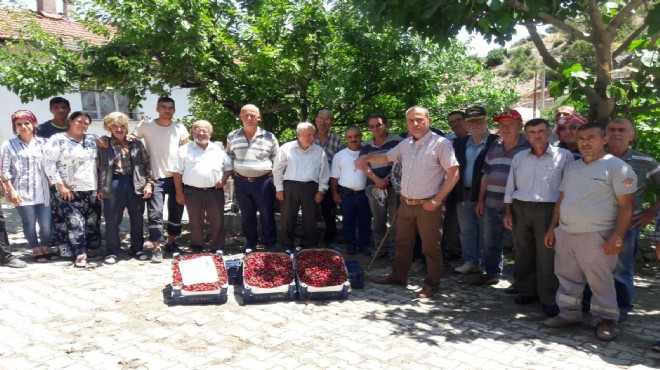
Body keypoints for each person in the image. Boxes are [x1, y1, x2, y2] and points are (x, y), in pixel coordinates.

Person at [542, 124, 636, 341]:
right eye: (581, 138)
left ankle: (606, 320)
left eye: (591, 137)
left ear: (604, 140)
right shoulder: (573, 167)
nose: (585, 142)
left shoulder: (617, 168)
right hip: (566, 233)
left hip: (597, 235)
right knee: (566, 277)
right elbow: (562, 199)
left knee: (600, 280)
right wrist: (553, 228)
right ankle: (569, 314)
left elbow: (626, 207)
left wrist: (617, 236)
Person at [356, 106, 459, 299]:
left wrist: (437, 201)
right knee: (403, 244)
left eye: (419, 119)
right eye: (411, 121)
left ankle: (431, 284)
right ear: (407, 124)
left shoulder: (441, 144)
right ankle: (398, 277)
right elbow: (386, 156)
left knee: (430, 248)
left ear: (428, 121)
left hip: (429, 205)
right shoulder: (406, 144)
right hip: (406, 204)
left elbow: (454, 173)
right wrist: (367, 156)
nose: (416, 124)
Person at [502, 118, 573, 317]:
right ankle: (526, 291)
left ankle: (549, 298)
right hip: (521, 208)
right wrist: (508, 210)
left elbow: (566, 189)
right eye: (532, 132)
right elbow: (511, 184)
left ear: (549, 131)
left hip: (549, 209)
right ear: (527, 135)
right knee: (523, 252)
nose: (537, 135)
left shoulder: (564, 156)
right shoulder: (520, 157)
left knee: (547, 256)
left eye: (541, 131)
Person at [603, 118, 660, 321]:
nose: (616, 133)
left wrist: (651, 211)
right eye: (612, 129)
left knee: (621, 270)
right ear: (605, 134)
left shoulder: (646, 161)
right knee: (594, 267)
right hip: (595, 224)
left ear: (632, 135)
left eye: (622, 129)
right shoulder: (595, 158)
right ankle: (594, 306)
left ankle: (622, 309)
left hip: (627, 226)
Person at [474, 109, 529, 286]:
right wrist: (481, 200)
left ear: (520, 126)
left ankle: (520, 281)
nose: (505, 128)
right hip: (491, 204)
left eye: (510, 124)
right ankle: (492, 273)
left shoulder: (528, 147)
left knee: (519, 246)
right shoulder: (495, 146)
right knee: (490, 243)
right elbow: (486, 175)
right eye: (501, 125)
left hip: (516, 208)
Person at [133, 97, 189, 261]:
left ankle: (171, 242)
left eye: (171, 107)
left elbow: (187, 149)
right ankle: (157, 247)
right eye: (163, 107)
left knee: (176, 212)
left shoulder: (179, 127)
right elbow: (130, 139)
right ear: (157, 108)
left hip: (176, 177)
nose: (167, 110)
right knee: (155, 213)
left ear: (174, 110)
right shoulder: (146, 125)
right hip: (155, 178)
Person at [43, 111, 101, 267]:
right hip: (68, 190)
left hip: (91, 188)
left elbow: (105, 149)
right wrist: (60, 184)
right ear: (70, 121)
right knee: (75, 222)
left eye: (86, 123)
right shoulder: (58, 140)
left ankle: (87, 248)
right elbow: (48, 163)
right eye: (79, 121)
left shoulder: (92, 139)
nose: (83, 125)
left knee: (90, 222)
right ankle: (80, 253)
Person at [98, 112, 154, 264]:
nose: (119, 129)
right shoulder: (104, 144)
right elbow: (98, 168)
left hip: (135, 182)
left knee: (137, 218)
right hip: (113, 182)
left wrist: (149, 183)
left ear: (127, 127)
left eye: (122, 125)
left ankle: (137, 248)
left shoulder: (136, 143)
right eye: (114, 126)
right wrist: (100, 188)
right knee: (112, 220)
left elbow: (147, 164)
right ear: (109, 128)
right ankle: (112, 251)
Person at [1, 110, 54, 263]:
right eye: (19, 124)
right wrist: (11, 190)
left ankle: (45, 246)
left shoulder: (44, 143)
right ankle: (36, 249)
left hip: (43, 191)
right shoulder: (9, 145)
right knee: (29, 222)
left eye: (27, 123)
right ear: (15, 126)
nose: (23, 127)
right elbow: (5, 170)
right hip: (21, 191)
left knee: (45, 224)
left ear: (33, 124)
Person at [172, 120, 232, 254]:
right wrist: (179, 193)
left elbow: (228, 167)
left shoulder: (218, 150)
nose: (201, 133)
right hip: (192, 192)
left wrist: (223, 180)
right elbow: (176, 172)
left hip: (214, 192)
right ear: (192, 132)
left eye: (205, 130)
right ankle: (196, 246)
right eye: (197, 130)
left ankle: (217, 246)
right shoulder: (183, 150)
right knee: (195, 221)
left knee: (217, 220)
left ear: (210, 133)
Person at [453, 106, 498, 274]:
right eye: (471, 121)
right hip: (463, 193)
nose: (475, 124)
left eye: (479, 120)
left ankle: (488, 266)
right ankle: (470, 261)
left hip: (488, 196)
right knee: (466, 231)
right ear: (466, 123)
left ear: (486, 120)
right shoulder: (459, 143)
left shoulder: (496, 142)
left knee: (487, 234)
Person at [226, 104, 279, 251]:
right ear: (240, 117)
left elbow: (277, 158)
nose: (249, 118)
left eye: (252, 115)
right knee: (247, 214)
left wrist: (272, 171)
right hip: (241, 182)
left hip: (263, 182)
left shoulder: (269, 137)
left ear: (259, 117)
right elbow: (229, 156)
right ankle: (251, 243)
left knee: (267, 214)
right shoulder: (232, 136)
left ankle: (270, 243)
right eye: (245, 115)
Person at [273, 122, 330, 251]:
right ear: (298, 134)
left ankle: (309, 245)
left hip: (311, 187)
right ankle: (286, 245)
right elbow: (277, 170)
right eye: (308, 135)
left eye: (313, 134)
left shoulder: (319, 151)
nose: (312, 138)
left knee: (311, 217)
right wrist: (279, 188)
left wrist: (321, 190)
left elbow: (324, 172)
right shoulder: (286, 149)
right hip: (290, 186)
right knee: (287, 217)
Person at [360, 114, 401, 258]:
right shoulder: (366, 144)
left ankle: (394, 250)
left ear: (386, 125)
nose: (375, 128)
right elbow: (363, 164)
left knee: (395, 219)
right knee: (378, 219)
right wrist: (377, 179)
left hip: (394, 185)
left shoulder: (397, 141)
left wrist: (388, 179)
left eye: (378, 125)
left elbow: (401, 163)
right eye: (371, 126)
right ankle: (380, 249)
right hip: (374, 186)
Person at [331, 126, 372, 255]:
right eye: (350, 137)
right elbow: (334, 177)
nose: (353, 139)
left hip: (364, 194)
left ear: (361, 136)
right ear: (346, 138)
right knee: (348, 222)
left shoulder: (368, 154)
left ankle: (364, 245)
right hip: (346, 194)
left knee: (365, 221)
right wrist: (335, 193)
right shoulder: (339, 156)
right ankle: (351, 246)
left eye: (356, 136)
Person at [314, 109, 342, 248]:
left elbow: (339, 162)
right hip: (311, 180)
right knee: (310, 211)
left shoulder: (337, 139)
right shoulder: (308, 136)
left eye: (327, 119)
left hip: (330, 180)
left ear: (332, 122)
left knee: (329, 211)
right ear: (316, 119)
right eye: (320, 118)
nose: (323, 122)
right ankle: (310, 240)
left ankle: (329, 241)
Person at [442, 110, 468, 261]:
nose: (455, 124)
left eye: (458, 120)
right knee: (451, 220)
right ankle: (454, 249)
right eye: (451, 122)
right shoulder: (448, 141)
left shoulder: (476, 139)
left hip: (470, 186)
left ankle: (472, 254)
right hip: (451, 185)